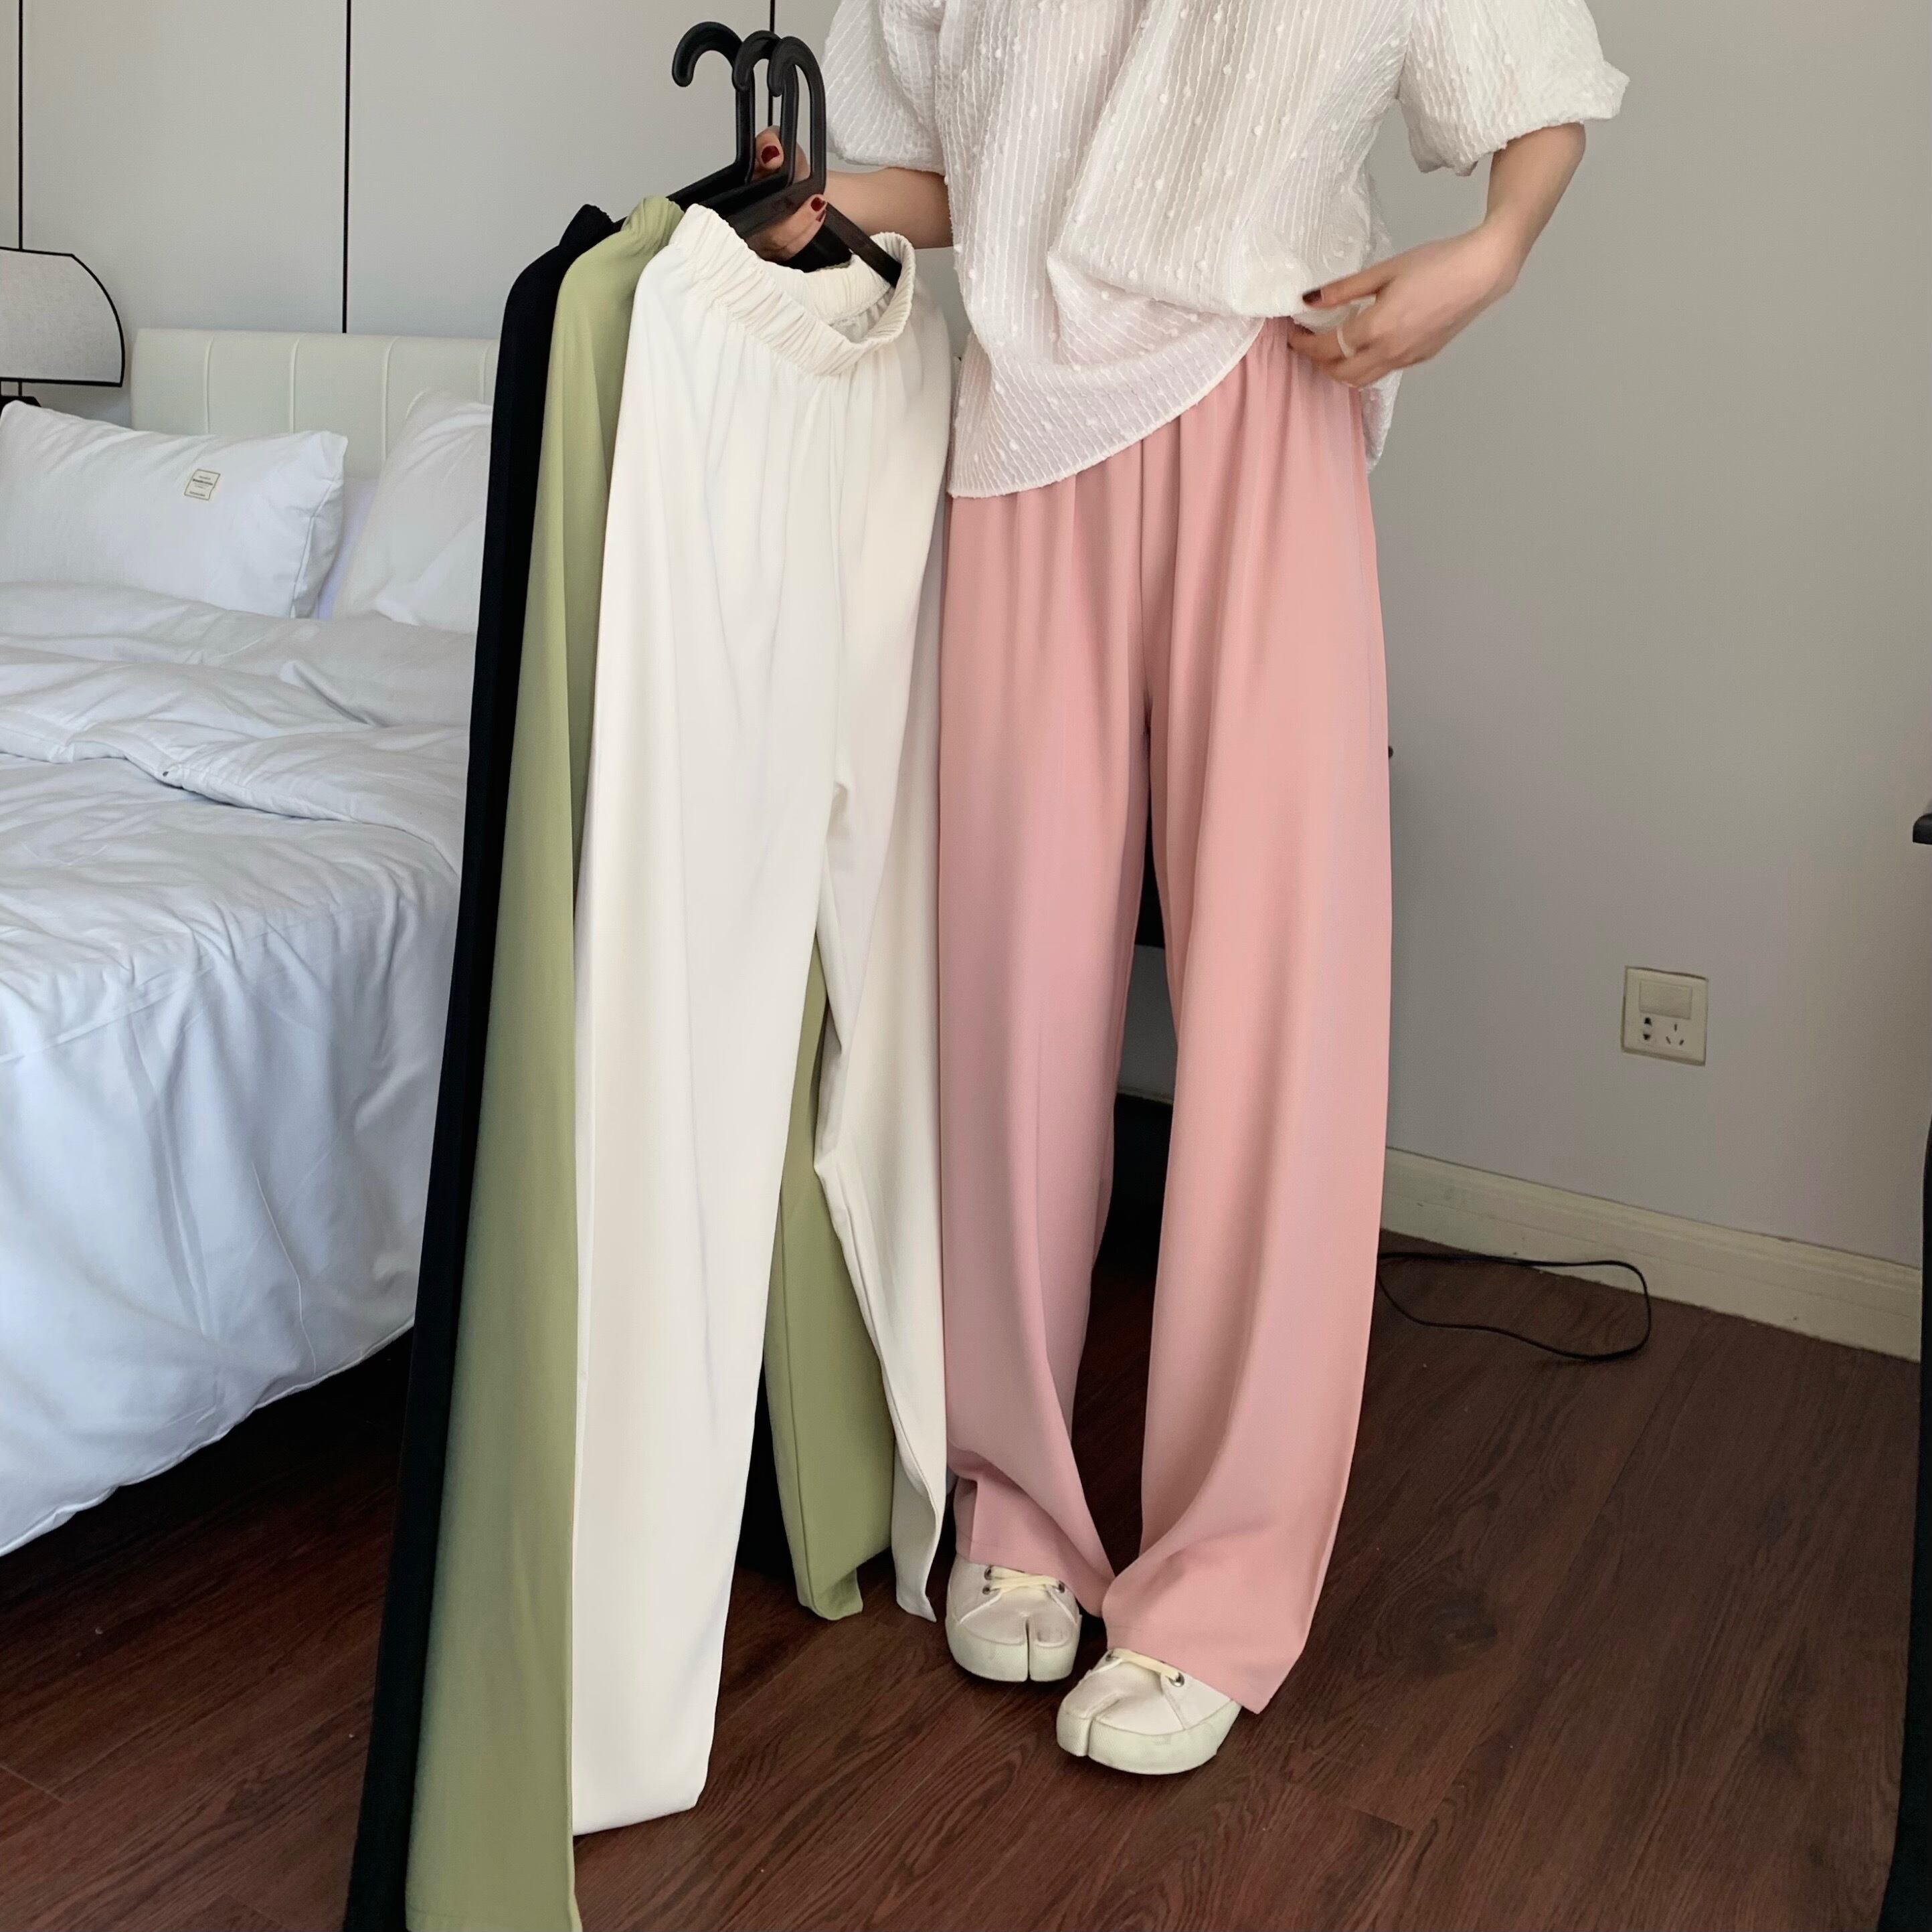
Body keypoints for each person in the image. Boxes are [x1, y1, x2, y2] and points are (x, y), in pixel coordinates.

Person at [754, 0, 1626, 1776]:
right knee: (1008, 998)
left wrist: (1491, 257)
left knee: (1277, 1009)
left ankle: (1221, 1582)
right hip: (1018, 434)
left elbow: (1531, 76)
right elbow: (964, 171)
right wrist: (818, 206)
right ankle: (1012, 1502)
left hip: (1265, 386)